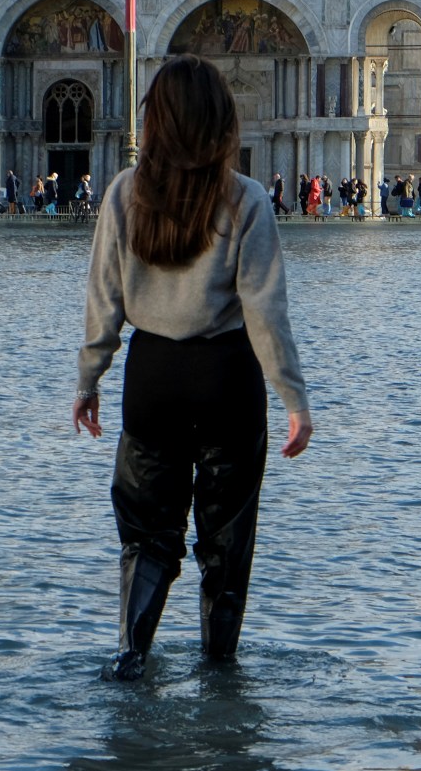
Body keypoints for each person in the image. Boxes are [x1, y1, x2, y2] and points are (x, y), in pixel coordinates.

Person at [74, 55, 312, 681]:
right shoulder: (246, 199)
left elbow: (104, 297)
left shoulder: (125, 192)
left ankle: (131, 656)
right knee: (225, 546)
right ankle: (218, 668)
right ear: (222, 120)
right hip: (226, 380)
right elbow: (265, 309)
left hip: (152, 379)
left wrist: (88, 378)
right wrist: (294, 399)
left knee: (147, 536)